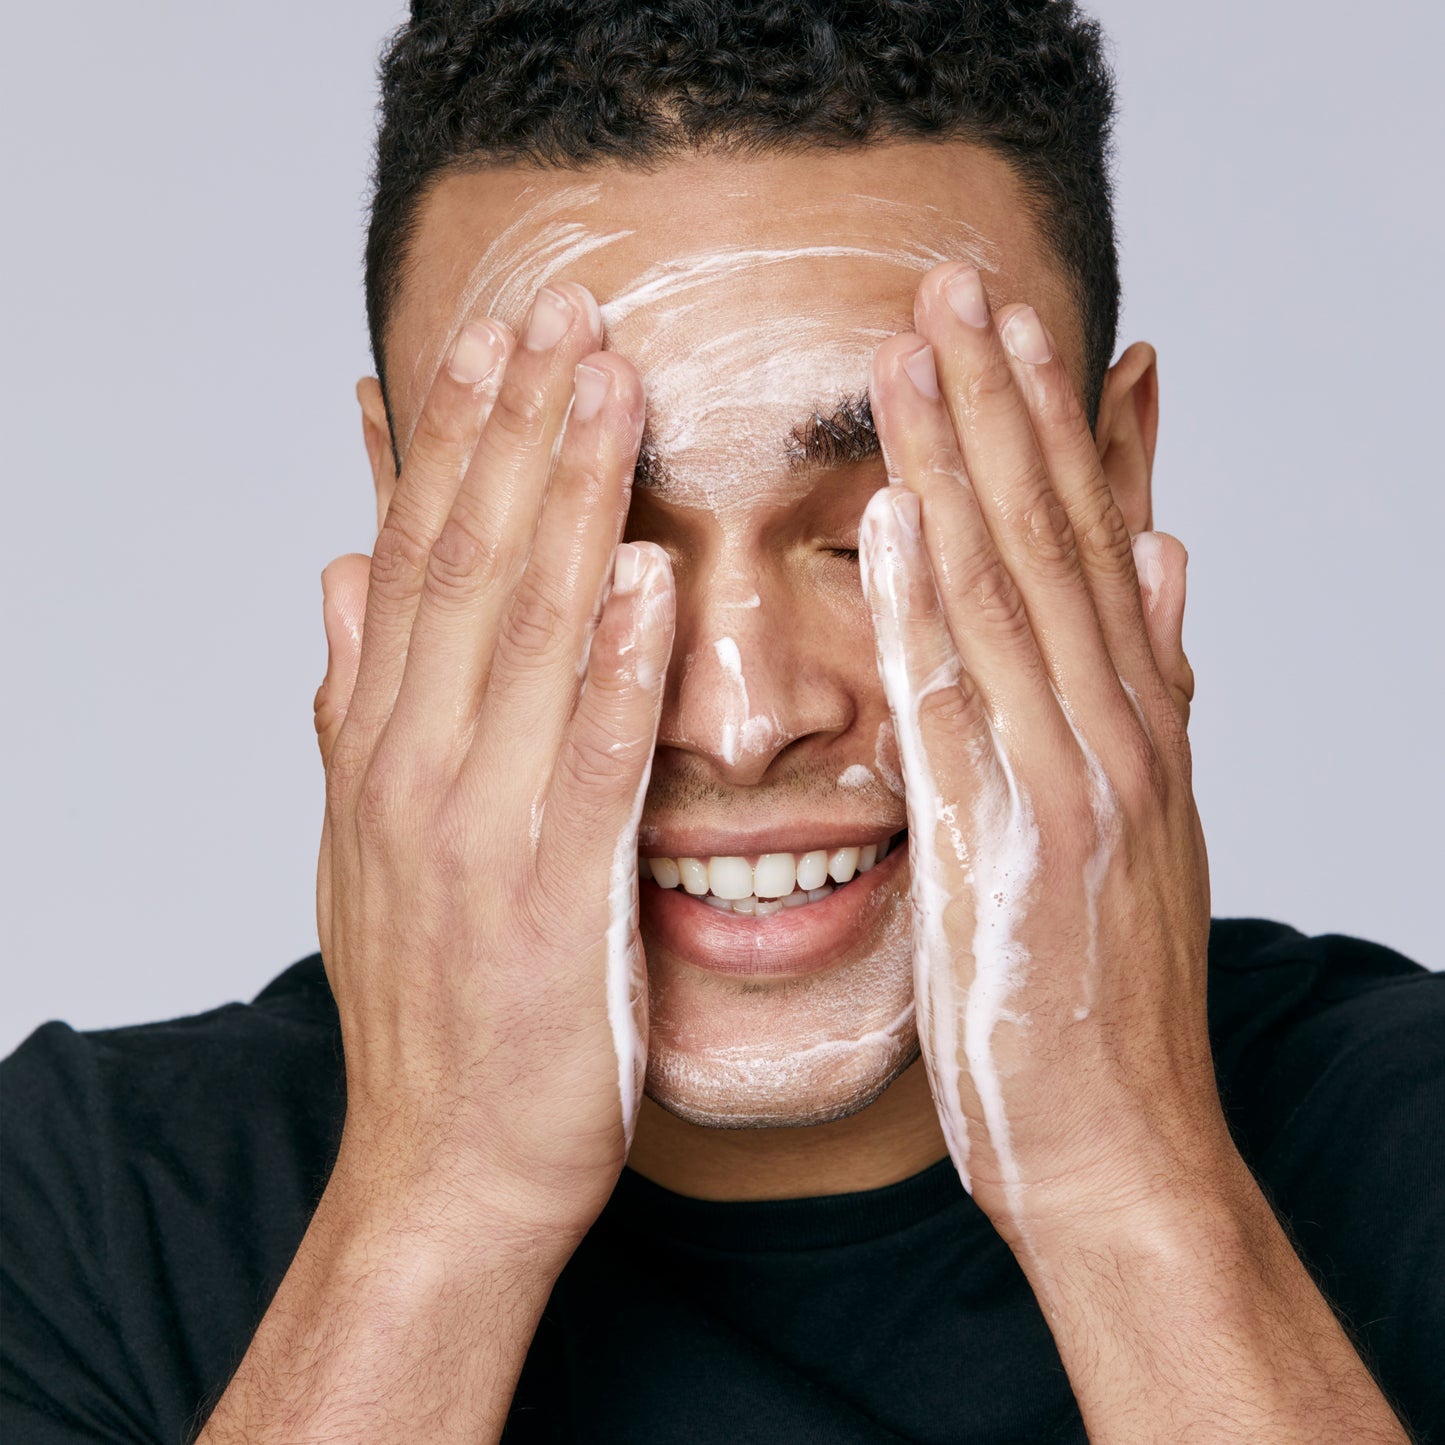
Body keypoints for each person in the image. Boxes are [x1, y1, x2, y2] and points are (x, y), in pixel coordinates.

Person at [3, 2, 1440, 1440]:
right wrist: (438, 1206)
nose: (743, 721)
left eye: (876, 524)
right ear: (404, 515)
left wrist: (1126, 1189)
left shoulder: (1407, 1146)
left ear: (1113, 480)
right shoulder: (77, 1205)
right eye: (599, 532)